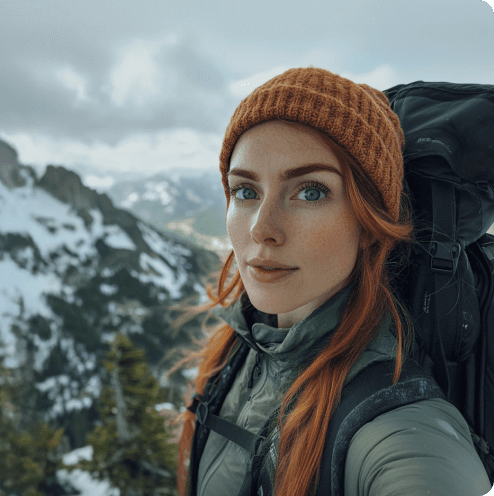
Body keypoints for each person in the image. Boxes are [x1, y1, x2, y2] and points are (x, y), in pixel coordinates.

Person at [175, 67, 491, 496]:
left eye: (310, 192)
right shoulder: (236, 348)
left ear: (370, 225)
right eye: (246, 191)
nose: (261, 229)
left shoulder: (397, 425)